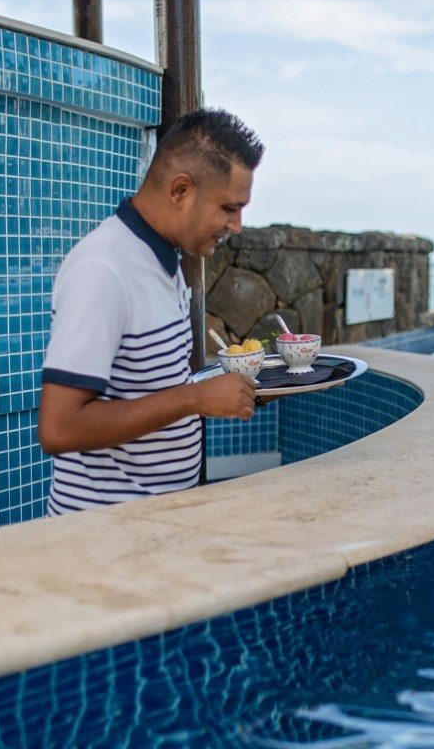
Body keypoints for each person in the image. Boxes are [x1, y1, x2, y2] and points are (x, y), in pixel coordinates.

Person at [37, 109, 264, 515]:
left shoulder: (163, 261)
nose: (237, 226)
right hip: (102, 542)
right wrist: (196, 398)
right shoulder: (104, 269)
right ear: (181, 190)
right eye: (229, 208)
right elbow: (60, 427)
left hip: (151, 533)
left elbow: (150, 387)